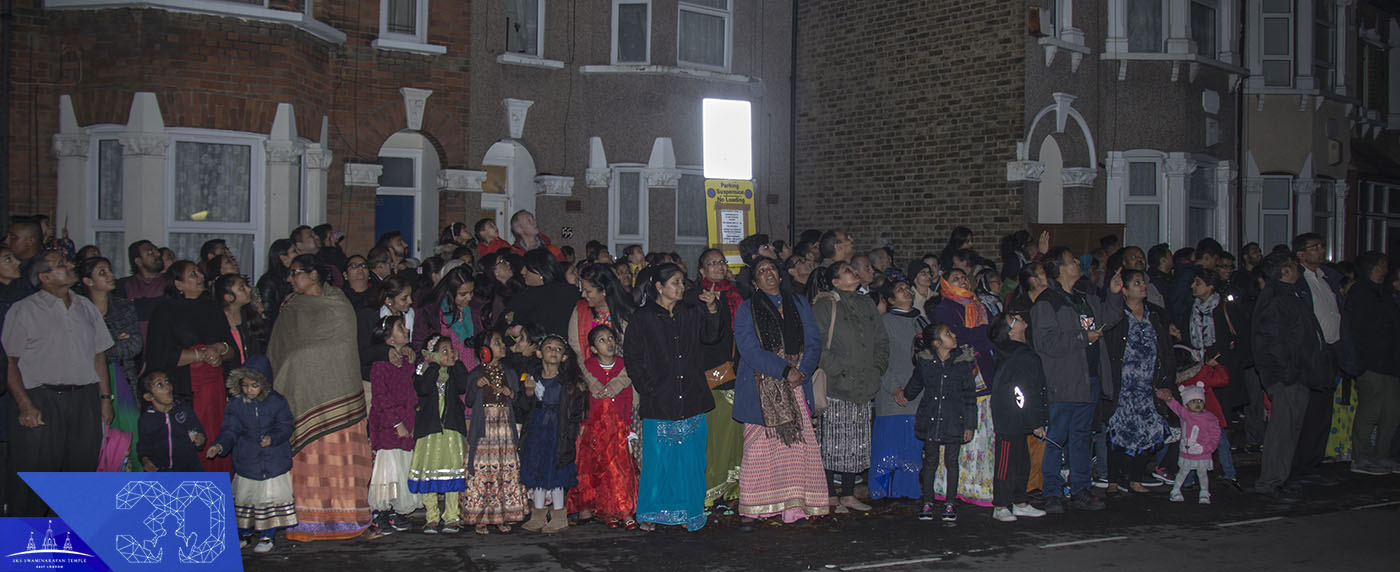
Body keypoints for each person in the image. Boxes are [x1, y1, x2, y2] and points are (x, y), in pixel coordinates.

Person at [268, 254, 372, 541]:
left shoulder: (338, 303)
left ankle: (347, 518)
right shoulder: (290, 307)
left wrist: (304, 358)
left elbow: (341, 345)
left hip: (338, 394)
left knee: (340, 460)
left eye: (295, 273)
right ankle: (305, 520)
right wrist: (297, 363)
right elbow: (280, 350)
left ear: (313, 275)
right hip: (301, 396)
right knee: (308, 460)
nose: (289, 279)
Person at [624, 263, 724, 532]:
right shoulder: (642, 317)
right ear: (659, 287)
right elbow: (632, 358)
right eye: (675, 282)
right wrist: (650, 388)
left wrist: (713, 308)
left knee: (691, 461)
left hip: (692, 396)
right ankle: (650, 513)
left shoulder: (691, 312)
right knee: (659, 462)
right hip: (659, 400)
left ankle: (689, 512)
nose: (681, 287)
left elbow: (712, 336)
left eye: (682, 282)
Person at [731, 257, 828, 527]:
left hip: (797, 384)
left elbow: (813, 342)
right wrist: (785, 371)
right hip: (761, 387)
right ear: (755, 282)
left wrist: (802, 371)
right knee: (760, 451)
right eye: (761, 272)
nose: (768, 274)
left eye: (771, 268)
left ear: (779, 273)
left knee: (795, 450)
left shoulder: (798, 303)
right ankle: (755, 507)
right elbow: (748, 349)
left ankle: (794, 507)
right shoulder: (746, 309)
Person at [1031, 247, 1122, 513]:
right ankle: (1052, 492)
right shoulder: (1048, 302)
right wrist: (1083, 338)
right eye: (1072, 262)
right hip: (1063, 380)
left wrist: (1115, 294)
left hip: (1088, 379)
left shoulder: (1084, 297)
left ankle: (1080, 489)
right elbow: (1045, 342)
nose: (1077, 265)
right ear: (1059, 269)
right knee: (1056, 438)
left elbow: (1107, 319)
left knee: (1082, 436)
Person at [1251, 252, 1330, 502]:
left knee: (1291, 431)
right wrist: (1289, 373)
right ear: (1284, 271)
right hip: (1286, 378)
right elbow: (1274, 343)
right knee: (1281, 432)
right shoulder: (1276, 299)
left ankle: (1280, 478)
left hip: (1296, 375)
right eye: (1294, 266)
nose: (1297, 270)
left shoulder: (1289, 295)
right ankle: (1270, 482)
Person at [811, 261, 889, 513]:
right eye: (846, 270)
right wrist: (841, 370)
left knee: (855, 443)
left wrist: (876, 369)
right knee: (832, 441)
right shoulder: (825, 304)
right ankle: (829, 494)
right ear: (835, 281)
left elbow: (881, 340)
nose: (853, 272)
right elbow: (817, 345)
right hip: (837, 385)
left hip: (865, 384)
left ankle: (848, 493)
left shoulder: (867, 303)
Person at [144, 260, 236, 473]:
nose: (200, 276)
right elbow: (159, 356)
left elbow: (232, 351)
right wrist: (200, 355)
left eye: (199, 272)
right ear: (178, 284)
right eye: (192, 274)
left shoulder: (211, 307)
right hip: (184, 391)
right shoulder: (164, 311)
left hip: (214, 390)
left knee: (216, 439)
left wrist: (218, 349)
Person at [205, 368, 296, 553]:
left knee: (268, 499)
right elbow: (230, 430)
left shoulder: (277, 402)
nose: (249, 390)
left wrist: (273, 437)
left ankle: (267, 536)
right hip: (248, 458)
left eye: (254, 386)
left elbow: (286, 425)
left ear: (264, 384)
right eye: (245, 386)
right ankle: (244, 533)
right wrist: (220, 446)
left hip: (273, 460)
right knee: (246, 498)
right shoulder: (236, 404)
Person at [1100, 269, 1173, 494]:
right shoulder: (1118, 316)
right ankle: (1113, 478)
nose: (1143, 287)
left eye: (1144, 283)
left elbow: (1166, 352)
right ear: (1125, 290)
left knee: (1148, 430)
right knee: (1119, 431)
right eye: (1137, 283)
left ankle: (1135, 478)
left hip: (1148, 385)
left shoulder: (1155, 315)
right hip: (1124, 385)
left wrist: (1167, 382)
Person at [895, 321, 977, 522]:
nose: (954, 335)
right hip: (931, 419)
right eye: (948, 333)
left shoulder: (962, 363)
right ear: (937, 343)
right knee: (930, 461)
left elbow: (969, 397)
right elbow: (915, 384)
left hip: (954, 420)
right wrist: (903, 394)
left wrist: (969, 425)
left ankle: (950, 502)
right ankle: (928, 500)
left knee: (952, 462)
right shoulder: (925, 362)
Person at [1292, 233, 1351, 486]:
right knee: (1307, 413)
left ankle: (1311, 465)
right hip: (1310, 354)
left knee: (1322, 413)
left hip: (1330, 351)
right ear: (1301, 254)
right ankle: (1297, 467)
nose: (1321, 250)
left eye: (1322, 246)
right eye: (1314, 247)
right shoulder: (1299, 280)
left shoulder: (1327, 278)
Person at [74, 257, 143, 471]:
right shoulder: (78, 309)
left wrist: (101, 350)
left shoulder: (123, 307)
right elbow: (78, 350)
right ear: (88, 281)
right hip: (88, 381)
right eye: (102, 272)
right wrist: (113, 341)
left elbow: (134, 345)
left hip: (121, 377)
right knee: (94, 439)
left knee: (129, 435)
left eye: (110, 270)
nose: (111, 275)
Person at [569, 325, 638, 528]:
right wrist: (583, 424)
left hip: (617, 427)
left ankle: (623, 511)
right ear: (593, 348)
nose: (608, 343)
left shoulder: (623, 366)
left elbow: (627, 398)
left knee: (619, 470)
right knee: (593, 469)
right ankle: (597, 510)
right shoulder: (589, 367)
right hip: (595, 427)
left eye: (610, 339)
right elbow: (584, 399)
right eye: (602, 340)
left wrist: (627, 424)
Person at [517, 335, 587, 534]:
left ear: (564, 357)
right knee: (539, 470)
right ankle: (538, 513)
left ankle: (558, 514)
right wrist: (529, 394)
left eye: (558, 349)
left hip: (558, 431)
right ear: (539, 353)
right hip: (538, 431)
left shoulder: (568, 383)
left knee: (555, 473)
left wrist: (574, 432)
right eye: (549, 348)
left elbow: (575, 411)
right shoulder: (533, 378)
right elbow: (522, 408)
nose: (553, 352)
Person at [690, 249, 742, 508]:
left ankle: (729, 492)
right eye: (712, 263)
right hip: (710, 374)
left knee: (733, 435)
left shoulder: (736, 294)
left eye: (722, 262)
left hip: (736, 370)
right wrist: (712, 306)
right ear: (701, 271)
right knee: (714, 437)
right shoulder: (695, 297)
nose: (719, 266)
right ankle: (709, 493)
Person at [987, 312, 1049, 522]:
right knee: (1006, 461)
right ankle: (1001, 504)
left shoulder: (1021, 351)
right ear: (1011, 331)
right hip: (1009, 415)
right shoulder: (1017, 355)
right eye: (1015, 319)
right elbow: (1024, 390)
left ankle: (1020, 501)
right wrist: (1036, 421)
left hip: (1018, 414)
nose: (1021, 318)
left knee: (1022, 460)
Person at [870, 280, 926, 501]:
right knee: (890, 445)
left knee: (912, 447)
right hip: (894, 394)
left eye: (907, 288)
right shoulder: (884, 322)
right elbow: (880, 358)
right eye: (900, 290)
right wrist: (894, 387)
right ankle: (884, 492)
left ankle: (909, 491)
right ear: (891, 299)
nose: (907, 291)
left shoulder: (922, 321)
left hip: (919, 394)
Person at [366, 316, 422, 534]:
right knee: (387, 467)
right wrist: (396, 422)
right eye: (400, 328)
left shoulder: (407, 363)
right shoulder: (380, 365)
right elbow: (380, 398)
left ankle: (397, 510)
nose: (406, 329)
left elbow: (411, 392)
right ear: (389, 339)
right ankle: (381, 511)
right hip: (388, 425)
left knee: (401, 465)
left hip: (407, 422)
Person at [408, 335, 469, 535]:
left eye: (451, 350)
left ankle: (451, 517)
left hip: (451, 429)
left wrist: (457, 362)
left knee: (452, 472)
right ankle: (431, 517)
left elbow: (463, 386)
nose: (450, 354)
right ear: (432, 354)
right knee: (429, 472)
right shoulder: (423, 370)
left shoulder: (454, 372)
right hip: (430, 430)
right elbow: (423, 389)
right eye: (445, 351)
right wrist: (433, 366)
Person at [1346, 252, 1399, 474]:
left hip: (1391, 362)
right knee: (1370, 411)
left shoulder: (1384, 293)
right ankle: (1362, 456)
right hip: (1372, 363)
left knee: (1392, 412)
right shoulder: (1361, 293)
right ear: (1377, 267)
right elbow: (1356, 331)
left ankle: (1381, 455)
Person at [1157, 381, 1221, 504]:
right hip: (1186, 452)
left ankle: (1204, 492)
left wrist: (1209, 447)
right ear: (1186, 405)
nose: (1197, 404)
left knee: (1202, 474)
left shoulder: (1209, 418)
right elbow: (1174, 405)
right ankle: (1175, 490)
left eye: (1200, 401)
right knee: (1182, 473)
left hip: (1202, 452)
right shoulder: (1185, 414)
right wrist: (1165, 397)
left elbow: (1215, 434)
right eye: (1193, 401)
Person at [935, 267, 996, 383]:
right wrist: (985, 331)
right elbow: (957, 336)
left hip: (987, 360)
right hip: (962, 363)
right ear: (946, 284)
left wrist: (985, 333)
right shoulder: (943, 309)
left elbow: (994, 331)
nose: (962, 281)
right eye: (956, 279)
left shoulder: (979, 306)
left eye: (964, 278)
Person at [136, 370, 204, 472]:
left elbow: (198, 431)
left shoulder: (183, 410)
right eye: (160, 385)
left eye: (167, 381)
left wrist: (200, 439)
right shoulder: (147, 419)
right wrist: (145, 460)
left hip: (189, 470)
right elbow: (143, 447)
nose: (167, 387)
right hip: (161, 473)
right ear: (149, 396)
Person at [505, 249, 580, 337]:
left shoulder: (530, 296)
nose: (522, 272)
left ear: (539, 270)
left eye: (527, 268)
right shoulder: (571, 291)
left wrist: (515, 318)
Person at [569, 265, 634, 362]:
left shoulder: (626, 314)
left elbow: (633, 352)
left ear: (604, 291)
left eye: (588, 291)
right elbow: (576, 349)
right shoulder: (580, 311)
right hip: (587, 372)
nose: (583, 295)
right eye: (582, 290)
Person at [212, 274, 268, 374]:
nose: (249, 289)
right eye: (242, 287)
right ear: (228, 297)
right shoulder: (217, 321)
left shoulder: (251, 316)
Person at [115, 240, 167, 337]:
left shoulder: (171, 282)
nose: (157, 254)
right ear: (138, 261)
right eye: (150, 252)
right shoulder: (123, 286)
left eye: (156, 250)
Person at [256, 239, 294, 328]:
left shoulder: (291, 279)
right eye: (294, 251)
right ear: (283, 258)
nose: (298, 254)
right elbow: (266, 315)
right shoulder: (268, 282)